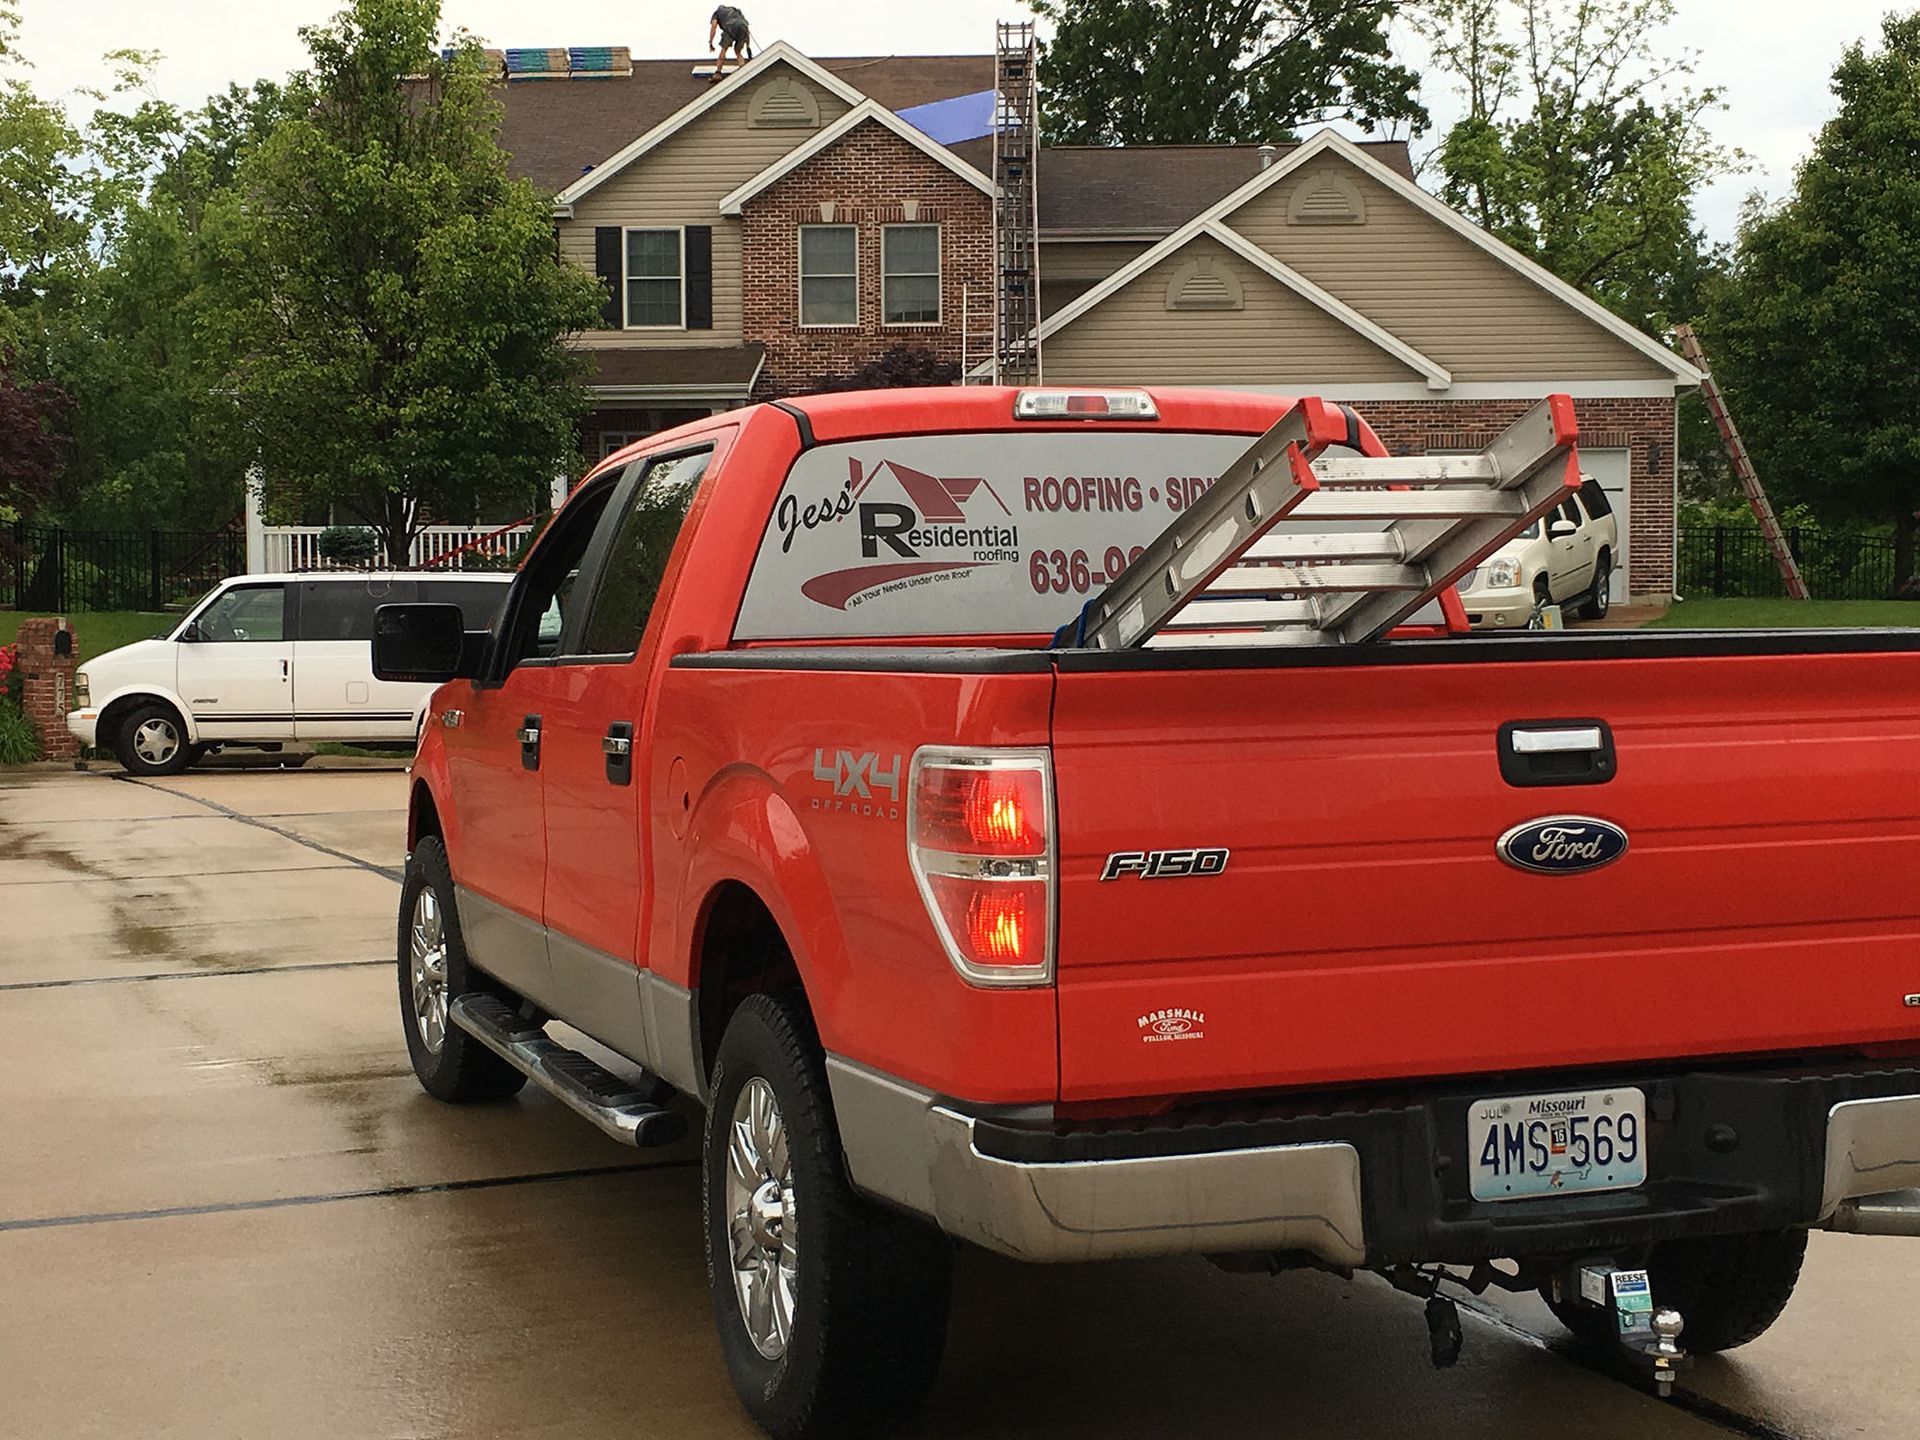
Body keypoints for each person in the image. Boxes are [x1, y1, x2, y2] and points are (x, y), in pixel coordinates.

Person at [709, 6, 753, 79]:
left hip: (730, 28)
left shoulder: (716, 13)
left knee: (724, 49)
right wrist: (748, 46)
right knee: (738, 52)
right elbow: (746, 29)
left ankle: (718, 72)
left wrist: (710, 42)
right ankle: (743, 69)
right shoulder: (735, 11)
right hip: (743, 28)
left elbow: (714, 25)